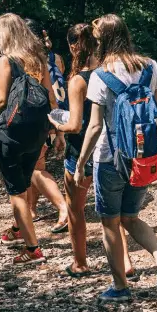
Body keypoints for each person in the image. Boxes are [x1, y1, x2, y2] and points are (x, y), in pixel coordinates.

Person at [74, 14, 157, 303]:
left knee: (110, 222)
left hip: (110, 159)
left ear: (101, 41)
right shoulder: (150, 66)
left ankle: (120, 287)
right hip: (144, 156)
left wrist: (81, 163)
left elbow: (95, 126)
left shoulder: (99, 75)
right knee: (131, 217)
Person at [49, 23, 136, 279]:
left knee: (75, 209)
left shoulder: (79, 80)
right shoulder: (109, 72)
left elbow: (76, 125)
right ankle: (126, 263)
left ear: (74, 46)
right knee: (114, 213)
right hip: (111, 149)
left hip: (82, 152)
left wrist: (56, 123)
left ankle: (80, 263)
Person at [0, 13, 59, 264]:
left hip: (11, 133)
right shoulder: (39, 59)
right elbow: (52, 98)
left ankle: (33, 249)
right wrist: (57, 131)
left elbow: (1, 100)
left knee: (16, 192)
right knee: (23, 183)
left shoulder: (7, 60)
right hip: (38, 131)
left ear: (6, 34)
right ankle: (19, 231)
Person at [22, 19, 70, 233]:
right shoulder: (56, 57)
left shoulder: (28, 60)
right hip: (58, 115)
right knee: (36, 165)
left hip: (39, 118)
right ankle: (31, 209)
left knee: (35, 168)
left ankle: (63, 207)